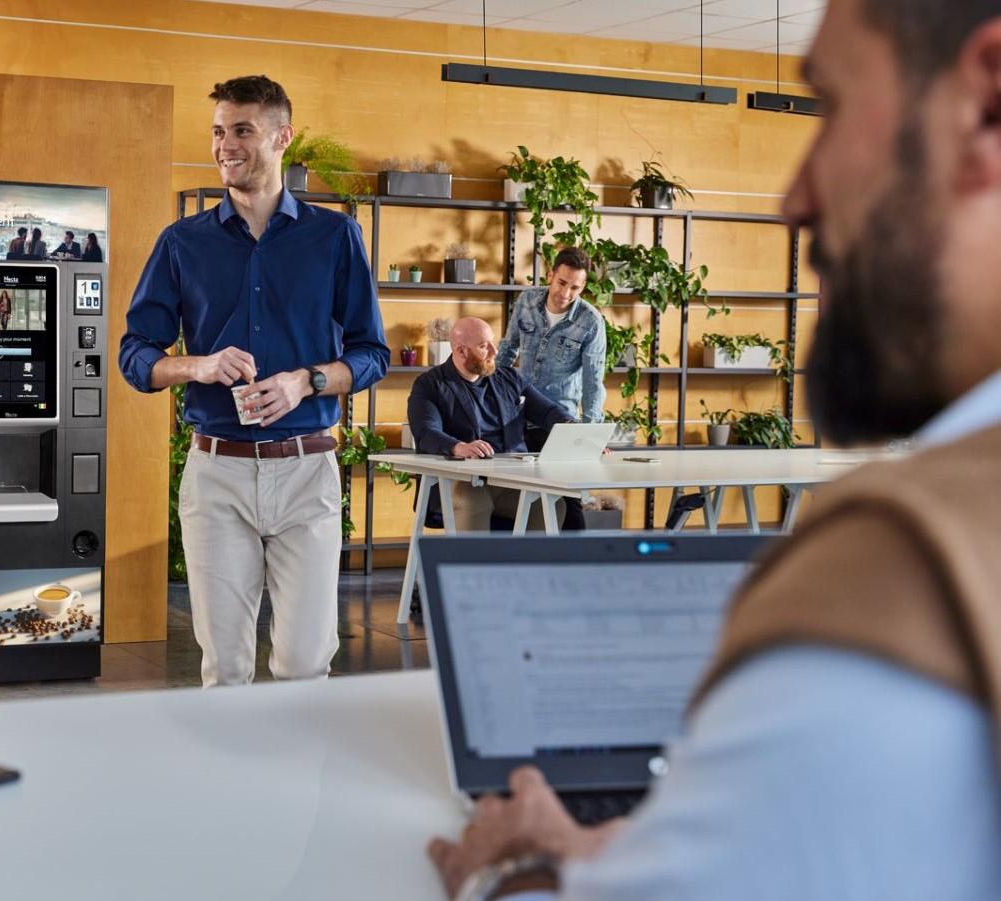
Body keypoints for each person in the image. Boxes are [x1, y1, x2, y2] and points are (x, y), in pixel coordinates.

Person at [428, 1, 1001, 897]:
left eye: (833, 106)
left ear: (987, 102)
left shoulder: (897, 572)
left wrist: (535, 867)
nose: (794, 198)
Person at [119, 74, 387, 688]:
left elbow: (372, 355)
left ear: (281, 138)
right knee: (227, 666)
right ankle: (231, 786)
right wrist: (199, 366)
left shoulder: (336, 237)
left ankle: (298, 785)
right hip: (218, 475)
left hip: (306, 472)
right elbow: (136, 355)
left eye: (242, 130)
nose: (225, 145)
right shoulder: (182, 242)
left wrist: (306, 381)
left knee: (302, 663)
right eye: (218, 132)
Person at [407, 317, 572, 532]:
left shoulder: (509, 378)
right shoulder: (430, 385)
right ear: (461, 351)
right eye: (484, 346)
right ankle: (473, 567)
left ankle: (528, 567)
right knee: (475, 501)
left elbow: (548, 411)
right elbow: (426, 432)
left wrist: (574, 430)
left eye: (493, 342)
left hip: (508, 479)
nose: (495, 351)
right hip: (458, 481)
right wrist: (459, 447)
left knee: (548, 503)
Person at [495, 247, 605, 531]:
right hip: (518, 416)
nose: (566, 294)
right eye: (562, 283)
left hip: (560, 421)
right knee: (514, 493)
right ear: (551, 274)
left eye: (575, 288)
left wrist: (591, 435)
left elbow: (594, 382)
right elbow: (507, 352)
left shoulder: (591, 322)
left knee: (568, 498)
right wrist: (488, 395)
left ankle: (579, 567)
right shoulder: (527, 301)